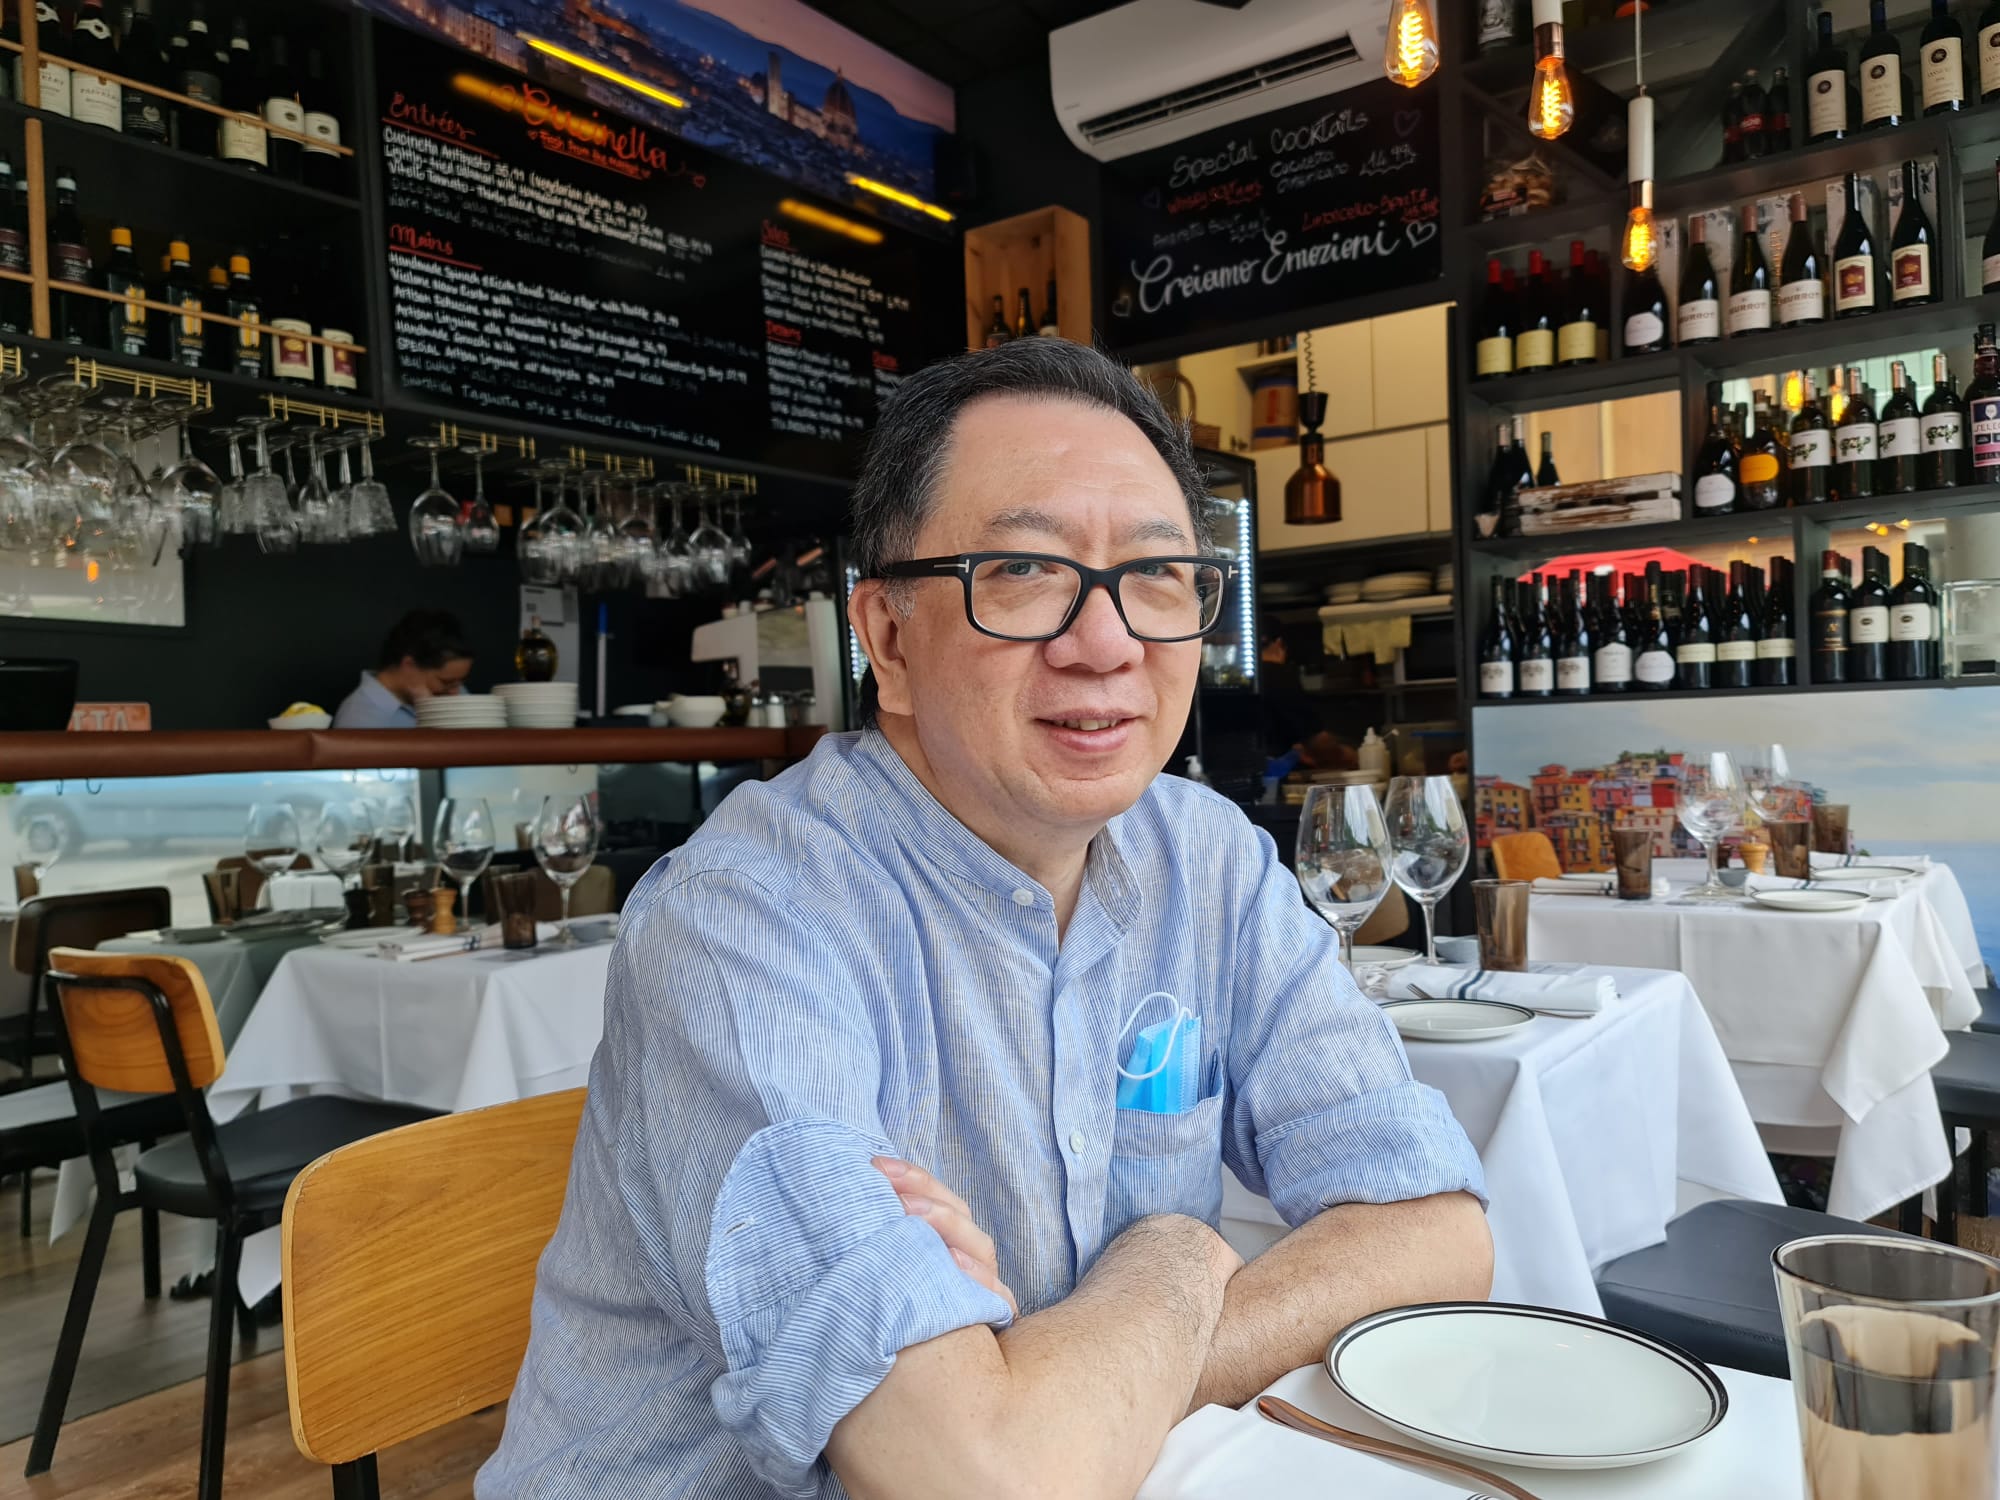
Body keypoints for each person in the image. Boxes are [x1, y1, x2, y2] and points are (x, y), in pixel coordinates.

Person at [480, 341, 1490, 1499]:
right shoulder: (743, 920)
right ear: (889, 638)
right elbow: (970, 1480)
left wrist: (1068, 1385)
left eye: (1158, 576)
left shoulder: (1200, 854)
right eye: (1021, 570)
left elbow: (1434, 1229)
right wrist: (1166, 1266)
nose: (1107, 642)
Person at [330, 610, 473, 729]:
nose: (456, 693)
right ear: (409, 666)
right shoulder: (360, 719)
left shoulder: (453, 692)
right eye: (447, 682)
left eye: (460, 682)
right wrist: (429, 718)